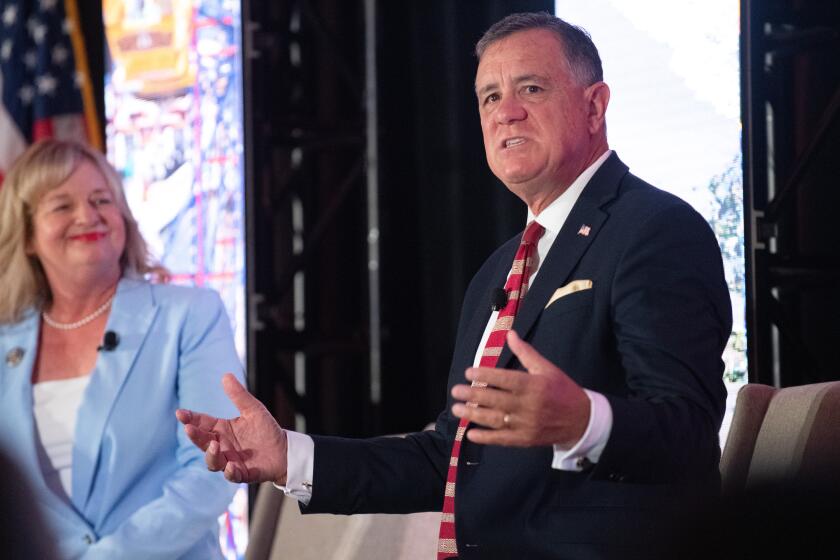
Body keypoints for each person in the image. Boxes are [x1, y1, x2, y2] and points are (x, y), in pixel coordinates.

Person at [178, 12, 732, 559]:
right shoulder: (498, 270)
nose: (506, 112)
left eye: (531, 88)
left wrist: (584, 422)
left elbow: (690, 435)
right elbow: (450, 456)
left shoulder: (654, 230)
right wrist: (290, 458)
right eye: (489, 98)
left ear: (595, 106)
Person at [0, 139, 245, 559]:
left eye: (102, 200)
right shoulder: (5, 342)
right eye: (62, 206)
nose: (87, 216)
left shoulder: (190, 315)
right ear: (27, 238)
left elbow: (213, 472)